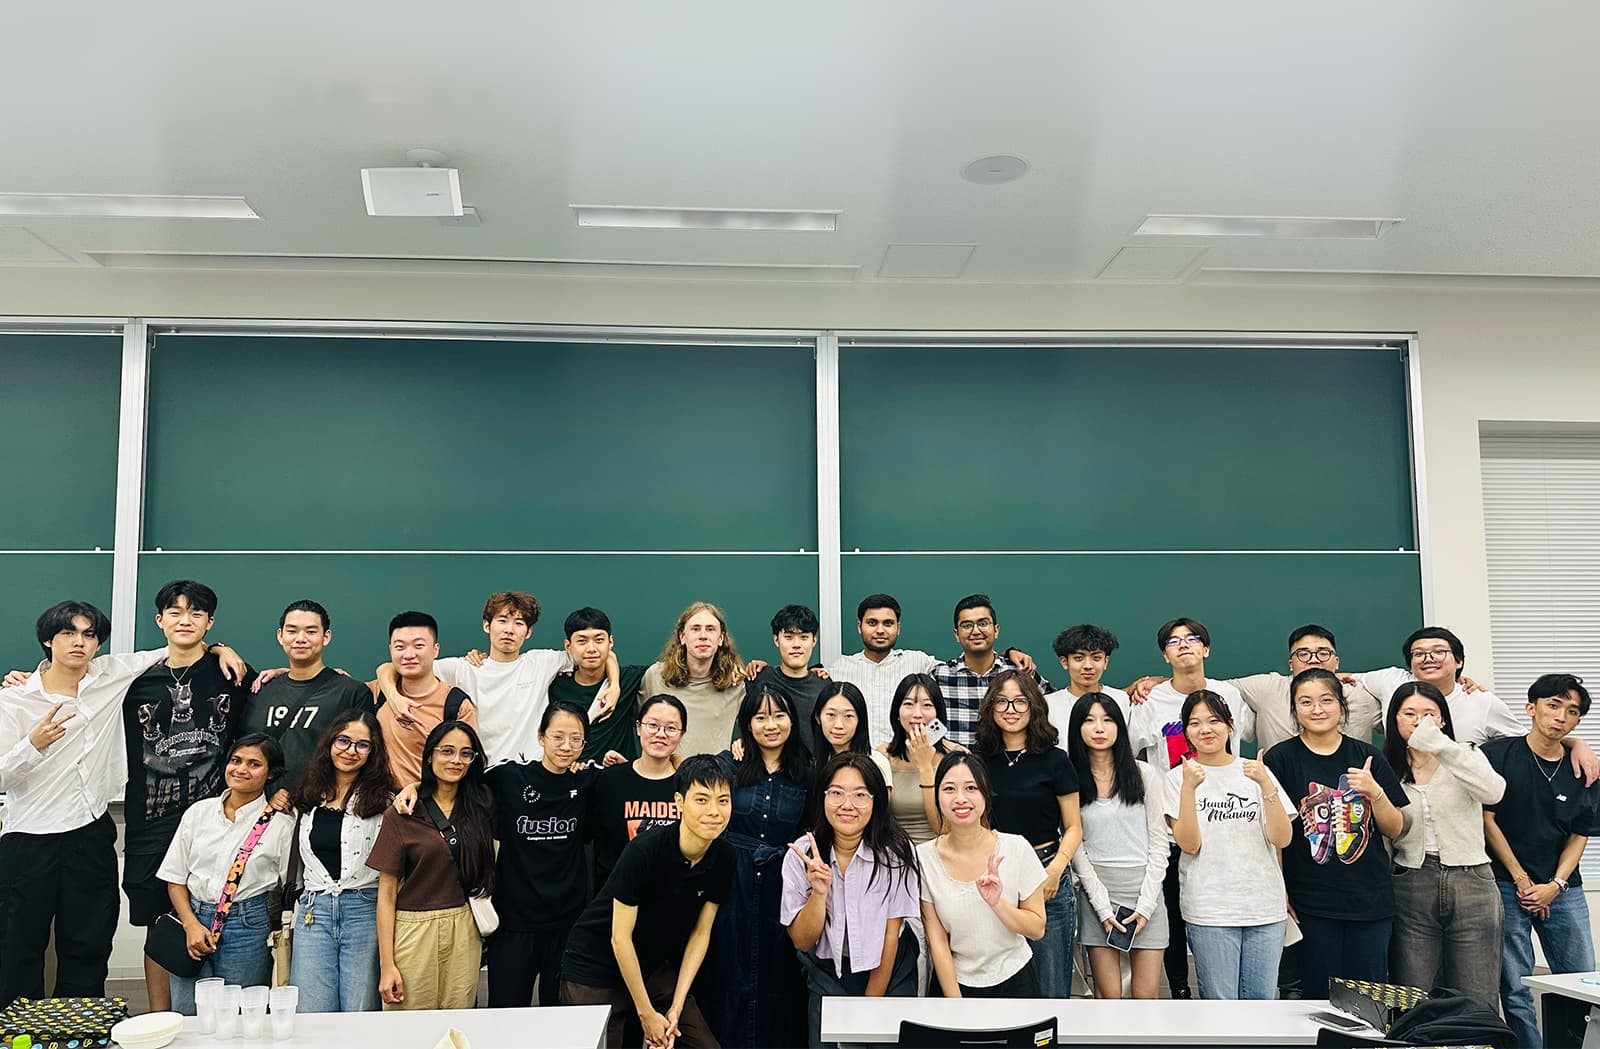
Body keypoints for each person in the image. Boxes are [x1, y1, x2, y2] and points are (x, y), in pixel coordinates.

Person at [0, 600, 240, 1007]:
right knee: (18, 944)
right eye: (68, 633)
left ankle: (81, 1027)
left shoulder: (112, 674)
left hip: (90, 832)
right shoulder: (15, 699)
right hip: (29, 837)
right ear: (48, 640)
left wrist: (220, 648)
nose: (79, 642)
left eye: (89, 634)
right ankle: (16, 1029)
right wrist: (33, 745)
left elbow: (178, 643)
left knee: (89, 943)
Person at [120, 580, 253, 1011]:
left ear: (209, 623)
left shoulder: (231, 673)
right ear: (159, 620)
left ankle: (218, 1020)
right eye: (175, 612)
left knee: (222, 916)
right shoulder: (133, 680)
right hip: (150, 819)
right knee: (159, 925)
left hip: (216, 822)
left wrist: (220, 649)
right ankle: (161, 1017)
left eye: (196, 613)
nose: (185, 620)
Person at [560, 755, 735, 1049]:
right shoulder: (644, 850)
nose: (714, 811)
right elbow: (619, 938)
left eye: (723, 801)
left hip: (651, 967)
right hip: (596, 966)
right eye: (702, 800)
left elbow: (700, 933)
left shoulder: (724, 857)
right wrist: (646, 1014)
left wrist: (676, 1006)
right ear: (679, 803)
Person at [1264, 668, 1408, 998]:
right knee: (1317, 999)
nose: (1317, 709)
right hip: (1309, 904)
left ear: (1342, 706)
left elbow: (1395, 828)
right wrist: (1279, 891)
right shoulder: (1280, 759)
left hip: (1369, 901)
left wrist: (1375, 792)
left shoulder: (1367, 756)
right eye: (1306, 702)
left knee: (1369, 1002)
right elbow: (1274, 837)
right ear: (1294, 709)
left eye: (1326, 700)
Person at [1129, 616, 1249, 1000]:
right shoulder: (1149, 700)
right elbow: (1129, 753)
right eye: (1173, 641)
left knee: (1221, 915)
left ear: (1206, 649)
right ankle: (1180, 989)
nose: (1184, 645)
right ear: (1165, 656)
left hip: (1227, 822)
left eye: (1192, 638)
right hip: (1172, 826)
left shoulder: (1228, 694)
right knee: (1173, 917)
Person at [1483, 673, 1600, 1049]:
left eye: (1573, 711)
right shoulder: (1497, 755)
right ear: (1530, 708)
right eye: (1553, 705)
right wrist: (1521, 879)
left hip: (1563, 889)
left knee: (1581, 982)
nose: (1561, 717)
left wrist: (1555, 885)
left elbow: (1580, 833)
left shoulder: (1585, 770)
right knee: (1515, 986)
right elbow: (1487, 819)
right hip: (1505, 883)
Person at [376, 592, 620, 766]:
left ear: (528, 632)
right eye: (502, 621)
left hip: (532, 771)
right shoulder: (464, 668)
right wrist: (394, 697)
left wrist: (615, 686)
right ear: (487, 626)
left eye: (519, 623)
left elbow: (598, 654)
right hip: (482, 773)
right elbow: (389, 668)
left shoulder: (541, 662)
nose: (509, 630)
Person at [783, 752, 920, 1047]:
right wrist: (819, 893)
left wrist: (867, 1011)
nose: (847, 805)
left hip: (889, 968)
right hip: (828, 970)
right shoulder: (803, 854)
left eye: (860, 795)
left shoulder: (897, 852)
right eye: (836, 793)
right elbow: (801, 941)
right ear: (822, 797)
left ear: (876, 801)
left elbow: (890, 936)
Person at [1380, 681, 1504, 1005]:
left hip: (1471, 878)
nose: (1418, 722)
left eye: (1429, 714)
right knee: (1414, 991)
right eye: (1409, 713)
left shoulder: (1465, 755)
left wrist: (1441, 745)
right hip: (1411, 879)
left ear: (1443, 719)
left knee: (1478, 991)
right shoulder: (1386, 766)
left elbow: (1494, 792)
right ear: (1394, 719)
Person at [1164, 691, 1293, 1000]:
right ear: (1185, 731)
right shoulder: (1177, 778)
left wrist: (1265, 784)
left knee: (1261, 1004)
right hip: (1210, 910)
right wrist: (1189, 789)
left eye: (1214, 721)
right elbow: (1189, 845)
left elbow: (1282, 838)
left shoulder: (1256, 770)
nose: (1205, 730)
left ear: (1230, 725)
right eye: (1195, 723)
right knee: (1220, 1008)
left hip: (1264, 908)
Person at [158, 733, 295, 1013]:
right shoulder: (199, 813)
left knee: (241, 1014)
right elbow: (175, 879)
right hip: (193, 918)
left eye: (254, 764)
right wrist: (190, 925)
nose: (241, 769)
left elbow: (291, 887)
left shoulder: (281, 825)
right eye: (236, 760)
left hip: (248, 926)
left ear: (271, 774)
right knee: (187, 1011)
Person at [707, 683, 810, 1047]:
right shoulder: (729, 764)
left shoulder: (806, 772)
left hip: (782, 886)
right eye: (761, 717)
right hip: (731, 882)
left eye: (779, 715)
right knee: (728, 970)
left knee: (778, 974)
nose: (771, 725)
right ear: (747, 723)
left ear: (792, 721)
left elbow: (809, 833)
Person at [369, 721, 495, 1011]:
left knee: (458, 1019)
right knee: (407, 1021)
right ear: (429, 756)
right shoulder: (404, 811)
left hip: (464, 925)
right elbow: (386, 893)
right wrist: (387, 965)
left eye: (465, 753)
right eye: (447, 751)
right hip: (414, 927)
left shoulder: (482, 804)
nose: (456, 760)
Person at [483, 701, 601, 1007]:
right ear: (540, 737)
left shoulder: (589, 779)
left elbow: (637, 778)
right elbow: (455, 778)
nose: (566, 746)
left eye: (576, 739)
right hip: (513, 923)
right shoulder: (509, 777)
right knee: (505, 1016)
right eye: (558, 736)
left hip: (567, 924)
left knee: (560, 1018)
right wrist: (415, 787)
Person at [973, 670, 1081, 998]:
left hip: (1046, 870)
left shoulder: (1055, 760)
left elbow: (1074, 827)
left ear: (1034, 706)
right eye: (1002, 701)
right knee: (1000, 984)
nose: (1011, 709)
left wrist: (1055, 870)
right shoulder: (977, 760)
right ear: (990, 707)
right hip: (995, 874)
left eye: (1020, 701)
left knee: (1050, 986)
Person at [285, 710, 397, 1013]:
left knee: (360, 1010)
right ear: (329, 743)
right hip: (314, 911)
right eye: (343, 740)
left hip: (364, 910)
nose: (350, 751)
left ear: (373, 752)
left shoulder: (386, 802)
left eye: (362, 745)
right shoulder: (307, 797)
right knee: (312, 1011)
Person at [1132, 624, 1382, 753]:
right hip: (1279, 800)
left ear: (1336, 661)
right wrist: (1160, 681)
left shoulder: (1363, 696)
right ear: (1291, 664)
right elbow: (1203, 687)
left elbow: (1401, 716)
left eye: (1323, 653)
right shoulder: (1267, 687)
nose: (1314, 660)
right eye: (1303, 654)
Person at [1066, 692, 1169, 1000]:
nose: (1099, 728)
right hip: (1097, 890)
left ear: (1120, 727)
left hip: (1145, 888)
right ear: (1077, 728)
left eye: (1108, 720)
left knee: (1145, 997)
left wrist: (1146, 904)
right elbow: (1076, 845)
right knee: (1108, 998)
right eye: (1089, 720)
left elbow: (1160, 841)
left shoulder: (1144, 774)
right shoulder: (1070, 777)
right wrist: (1100, 905)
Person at [919, 752, 1047, 998]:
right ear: (937, 796)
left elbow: (1037, 928)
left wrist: (997, 904)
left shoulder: (1016, 848)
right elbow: (937, 940)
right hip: (954, 982)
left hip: (1015, 978)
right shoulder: (924, 857)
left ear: (986, 794)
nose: (960, 798)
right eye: (949, 789)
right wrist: (957, 1004)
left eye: (971, 788)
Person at [245, 599, 377, 788]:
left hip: (321, 800)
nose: (300, 638)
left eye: (311, 631)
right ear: (280, 635)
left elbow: (363, 756)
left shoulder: (351, 693)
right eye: (292, 631)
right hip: (260, 802)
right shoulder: (260, 689)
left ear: (326, 637)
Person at [1351, 626, 1524, 748]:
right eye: (1419, 653)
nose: (1428, 659)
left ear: (1459, 661)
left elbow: (1522, 745)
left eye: (1439, 651)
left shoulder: (1482, 701)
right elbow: (1341, 678)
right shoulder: (1390, 680)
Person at [589, 694, 687, 888]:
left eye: (671, 728)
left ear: (681, 734)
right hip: (615, 895)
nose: (661, 734)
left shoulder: (688, 785)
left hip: (672, 895)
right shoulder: (609, 780)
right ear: (638, 727)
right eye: (653, 725)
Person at [369, 611, 477, 784]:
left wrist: (415, 789)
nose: (409, 655)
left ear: (435, 650)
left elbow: (466, 767)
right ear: (390, 650)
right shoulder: (375, 692)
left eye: (418, 646)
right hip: (378, 797)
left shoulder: (456, 705)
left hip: (429, 798)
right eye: (400, 647)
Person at [930, 594, 1049, 748]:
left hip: (1011, 761)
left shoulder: (1020, 671)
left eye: (983, 623)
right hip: (955, 761)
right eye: (967, 625)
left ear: (996, 630)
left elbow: (1053, 705)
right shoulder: (939, 676)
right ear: (956, 634)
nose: (976, 631)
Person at [825, 595, 939, 746]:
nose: (880, 630)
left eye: (888, 623)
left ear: (898, 628)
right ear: (859, 627)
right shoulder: (840, 669)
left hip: (906, 756)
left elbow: (958, 671)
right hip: (858, 757)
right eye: (872, 623)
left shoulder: (919, 662)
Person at [642, 602, 747, 759]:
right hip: (665, 772)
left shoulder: (734, 683)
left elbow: (756, 727)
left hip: (714, 773)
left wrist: (743, 742)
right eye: (695, 629)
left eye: (710, 629)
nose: (703, 636)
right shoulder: (656, 676)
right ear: (682, 637)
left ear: (721, 638)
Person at [547, 607, 649, 765]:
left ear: (611, 642)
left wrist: (615, 685)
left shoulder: (629, 679)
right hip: (570, 776)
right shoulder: (555, 684)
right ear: (568, 646)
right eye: (582, 641)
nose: (591, 649)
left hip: (618, 775)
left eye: (599, 640)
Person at [878, 673, 963, 845]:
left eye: (927, 705)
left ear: (938, 712)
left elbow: (944, 830)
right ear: (897, 712)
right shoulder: (883, 756)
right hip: (895, 852)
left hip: (942, 851)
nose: (917, 714)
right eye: (908, 704)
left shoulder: (957, 756)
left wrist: (925, 766)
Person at [744, 604, 831, 732]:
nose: (796, 645)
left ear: (813, 641)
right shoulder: (758, 678)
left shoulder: (824, 685)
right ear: (776, 640)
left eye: (804, 637)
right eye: (789, 637)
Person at [810, 681, 894, 792]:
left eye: (848, 716)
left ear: (860, 720)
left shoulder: (877, 763)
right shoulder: (812, 764)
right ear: (818, 717)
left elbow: (882, 803)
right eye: (831, 714)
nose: (839, 725)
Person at [1045, 623, 1131, 728]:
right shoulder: (1049, 704)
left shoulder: (1121, 699)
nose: (1088, 666)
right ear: (1064, 662)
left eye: (1096, 658)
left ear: (1105, 662)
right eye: (1078, 658)